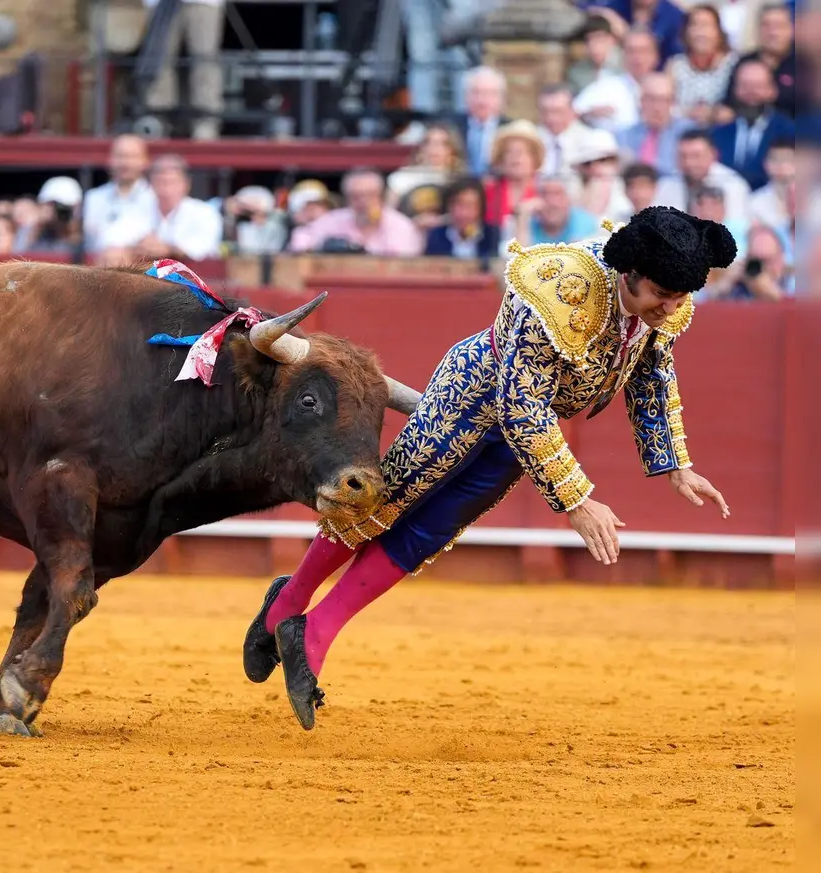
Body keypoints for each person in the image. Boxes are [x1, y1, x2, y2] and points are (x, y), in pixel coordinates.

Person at [241, 207, 737, 730]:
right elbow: (523, 404)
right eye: (662, 294)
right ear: (628, 273)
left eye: (681, 298)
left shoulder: (666, 304)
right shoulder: (559, 288)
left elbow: (651, 373)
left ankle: (313, 632)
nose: (671, 307)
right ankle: (288, 601)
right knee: (387, 503)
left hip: (525, 428)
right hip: (473, 398)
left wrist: (675, 464)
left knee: (430, 531)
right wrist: (577, 499)